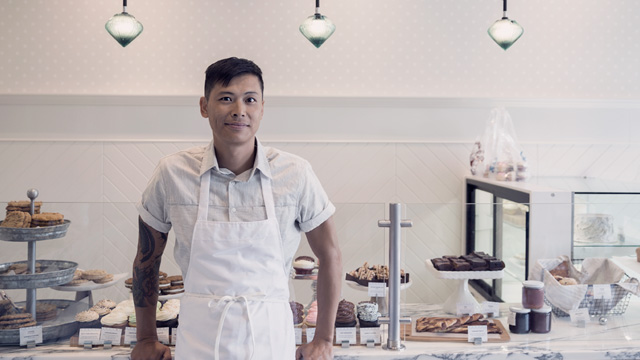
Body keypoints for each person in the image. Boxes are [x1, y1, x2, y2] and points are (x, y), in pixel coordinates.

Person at [130, 57, 342, 360]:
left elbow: (330, 255)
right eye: (226, 98)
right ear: (204, 106)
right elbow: (146, 260)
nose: (239, 110)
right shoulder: (172, 173)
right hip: (200, 341)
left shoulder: (295, 173)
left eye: (250, 99)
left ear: (262, 108)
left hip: (270, 340)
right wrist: (146, 337)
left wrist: (323, 338)